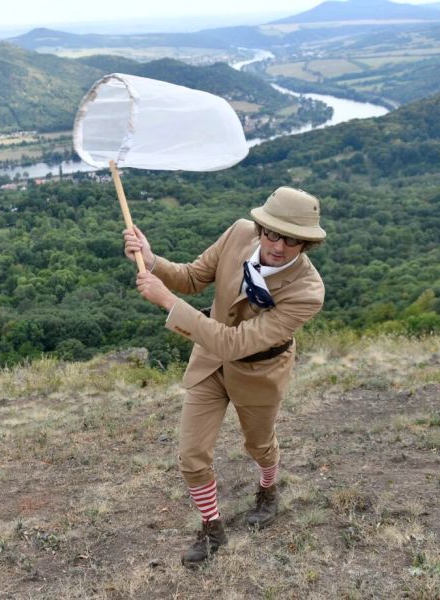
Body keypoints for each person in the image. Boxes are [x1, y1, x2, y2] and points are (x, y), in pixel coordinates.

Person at [123, 186, 326, 568]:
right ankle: (212, 528)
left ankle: (268, 489)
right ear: (261, 226)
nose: (278, 246)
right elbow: (193, 277)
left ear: (306, 245)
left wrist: (167, 301)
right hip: (209, 362)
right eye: (272, 233)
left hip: (260, 372)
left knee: (259, 444)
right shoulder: (238, 234)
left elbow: (235, 344)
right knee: (191, 454)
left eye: (293, 240)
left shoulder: (308, 291)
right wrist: (152, 262)